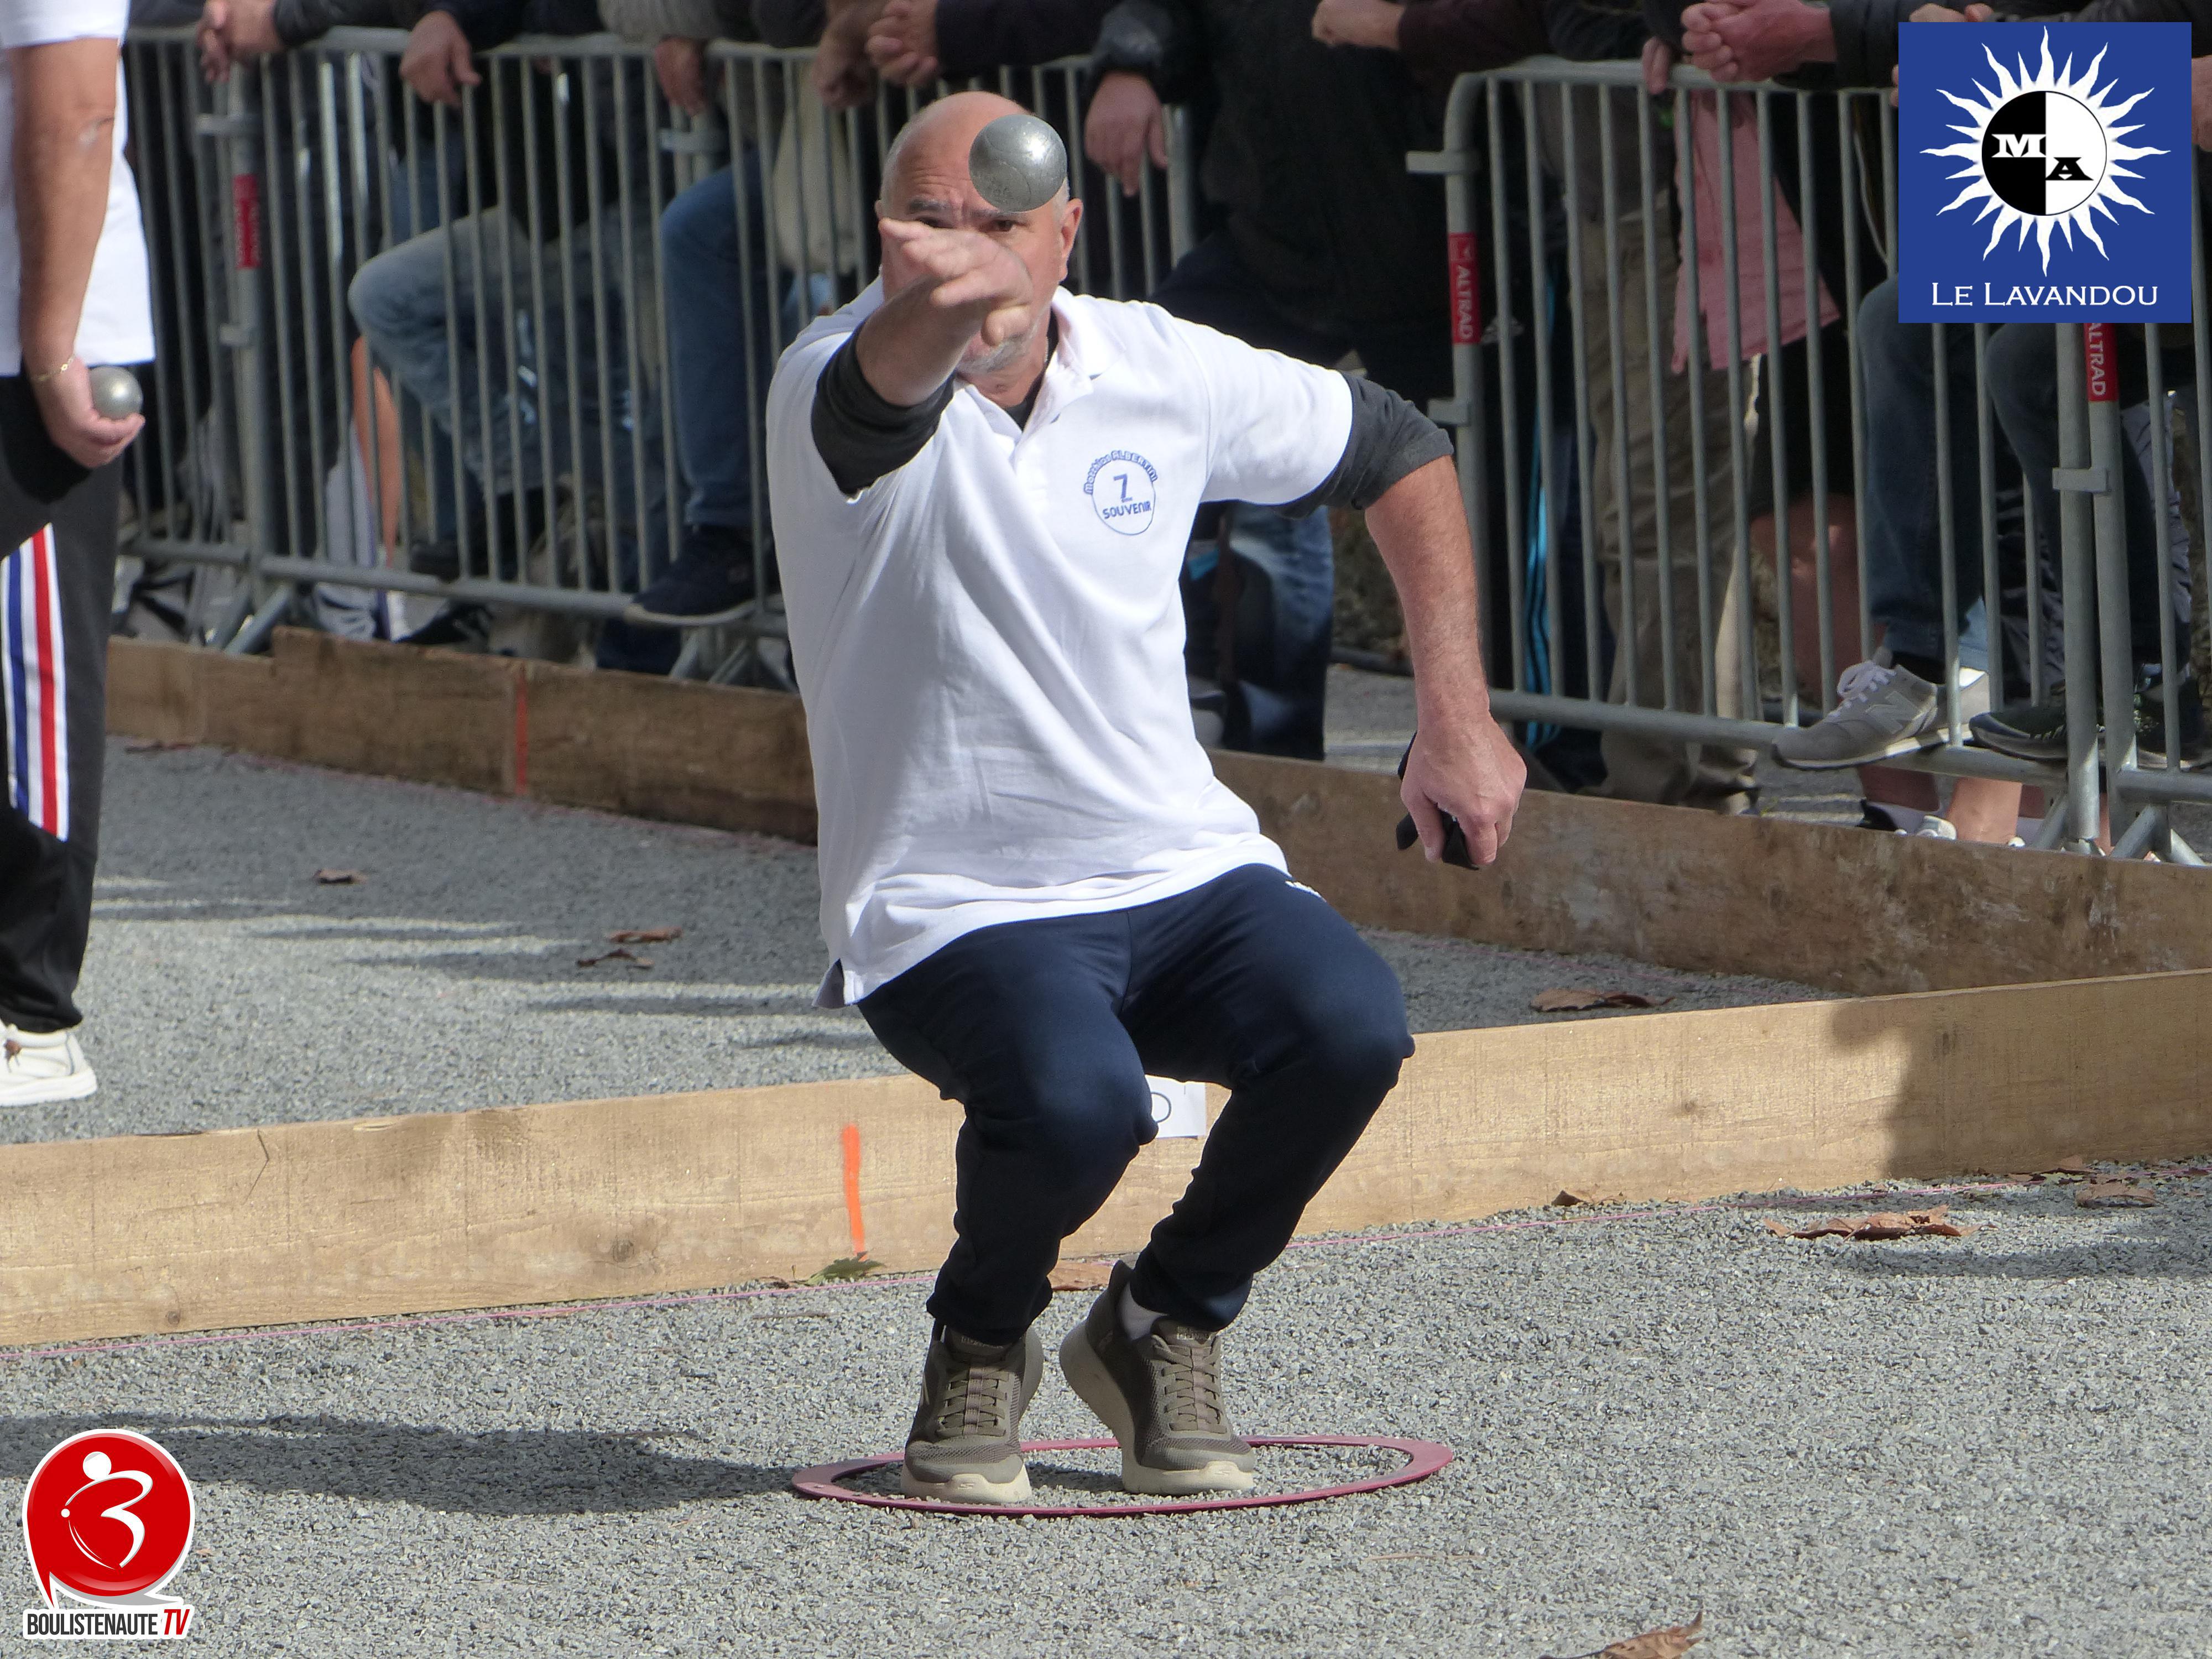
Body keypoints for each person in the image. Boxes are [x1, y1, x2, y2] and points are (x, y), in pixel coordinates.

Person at [766, 91, 1523, 1501]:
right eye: (930, 224)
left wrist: (1454, 716)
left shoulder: (1154, 361)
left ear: (1069, 230)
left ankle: (1161, 1320)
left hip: (1174, 868)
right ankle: (977, 1350)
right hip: (945, 902)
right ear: (883, 235)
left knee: (1351, 1027)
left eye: (1001, 228)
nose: (964, 261)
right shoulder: (831, 380)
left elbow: (1394, 448)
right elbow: (884, 392)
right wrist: (939, 304)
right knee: (1075, 1106)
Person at [1086, 0, 1453, 760]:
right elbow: (1170, 15)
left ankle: (1523, 749)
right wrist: (1129, 62)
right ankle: (1263, 750)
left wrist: (1400, 28)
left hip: (1427, 245)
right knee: (1128, 399)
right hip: (1272, 245)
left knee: (1475, 505)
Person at [0, 0, 152, 1105]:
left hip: (26, 339)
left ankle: (27, 1013)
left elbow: (75, 97)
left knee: (26, 671)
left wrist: (51, 345)